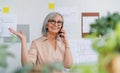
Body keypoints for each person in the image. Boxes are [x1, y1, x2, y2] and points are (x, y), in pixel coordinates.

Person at [9, 12, 73, 73]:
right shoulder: (36, 43)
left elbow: (68, 65)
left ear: (61, 26)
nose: (56, 24)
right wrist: (23, 41)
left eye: (59, 22)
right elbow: (27, 66)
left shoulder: (63, 43)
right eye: (52, 21)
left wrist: (66, 43)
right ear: (46, 25)